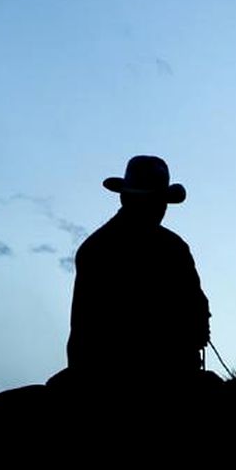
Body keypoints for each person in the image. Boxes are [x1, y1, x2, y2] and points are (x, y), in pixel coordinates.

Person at [56, 155, 211, 388]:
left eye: (160, 202)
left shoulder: (96, 247)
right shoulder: (170, 246)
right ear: (125, 198)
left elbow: (196, 307)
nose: (159, 209)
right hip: (119, 374)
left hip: (114, 370)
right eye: (155, 201)